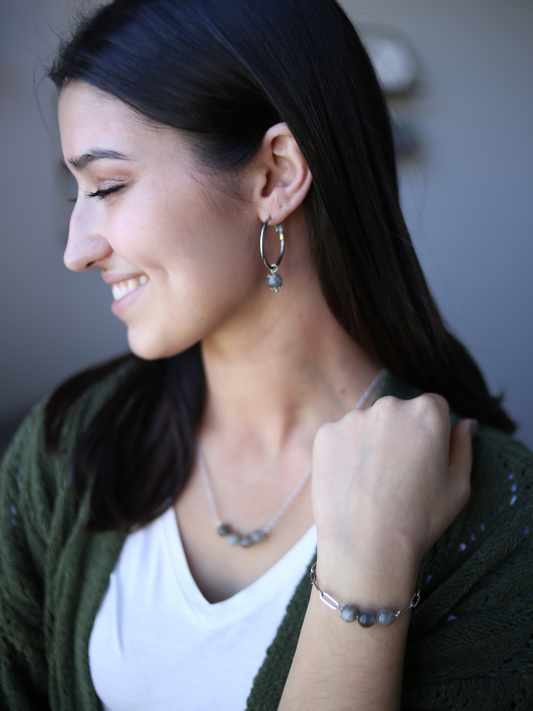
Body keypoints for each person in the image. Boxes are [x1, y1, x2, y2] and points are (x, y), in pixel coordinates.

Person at [1, 0, 532, 708]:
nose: (76, 249)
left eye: (107, 186)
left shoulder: (497, 521)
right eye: (76, 193)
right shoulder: (64, 449)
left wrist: (371, 575)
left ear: (274, 175)